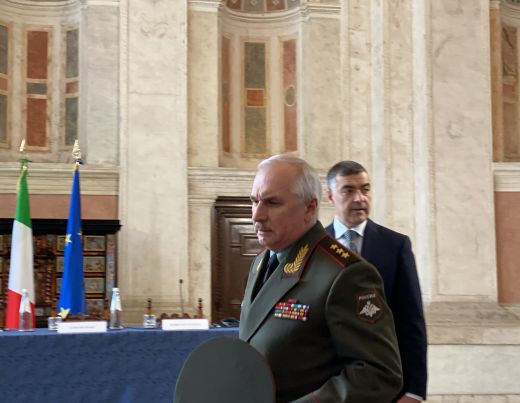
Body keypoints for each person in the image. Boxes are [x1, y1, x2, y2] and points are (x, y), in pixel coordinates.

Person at [239, 154, 403, 403]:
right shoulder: (261, 262)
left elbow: (379, 375)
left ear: (309, 208)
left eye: (272, 203)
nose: (257, 215)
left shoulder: (346, 274)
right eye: (254, 201)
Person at [325, 160, 428, 403]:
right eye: (348, 190)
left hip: (384, 382)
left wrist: (414, 391)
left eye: (365, 189)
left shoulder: (395, 246)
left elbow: (411, 321)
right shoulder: (316, 246)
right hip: (329, 384)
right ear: (330, 196)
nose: (359, 198)